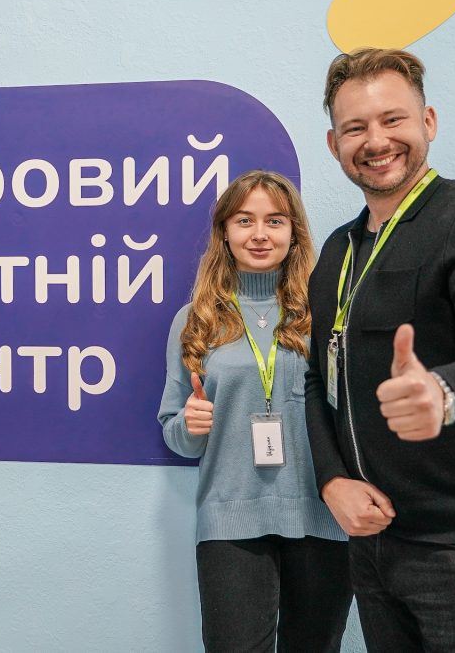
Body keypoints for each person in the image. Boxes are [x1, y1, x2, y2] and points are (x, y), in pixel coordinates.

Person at [307, 47, 455, 651]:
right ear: (333, 144)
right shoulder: (337, 254)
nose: (376, 140)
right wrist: (330, 481)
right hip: (370, 546)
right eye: (356, 128)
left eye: (392, 120)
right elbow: (312, 383)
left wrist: (444, 394)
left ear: (428, 122)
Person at [159, 170, 351, 652]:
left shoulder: (326, 312)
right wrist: (190, 425)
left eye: (275, 221)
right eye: (245, 220)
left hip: (323, 516)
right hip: (231, 522)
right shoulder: (195, 319)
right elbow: (174, 430)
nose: (260, 234)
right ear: (225, 231)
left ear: (294, 232)